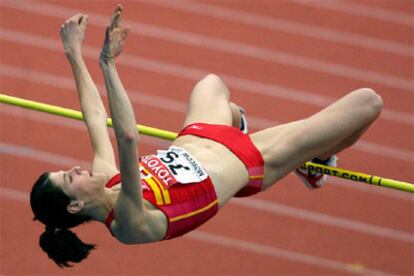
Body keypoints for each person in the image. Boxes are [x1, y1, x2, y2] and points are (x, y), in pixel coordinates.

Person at [30, 5, 383, 268]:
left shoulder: (108, 180)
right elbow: (126, 136)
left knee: (212, 83)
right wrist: (107, 61)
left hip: (199, 136)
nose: (75, 169)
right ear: (75, 205)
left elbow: (94, 117)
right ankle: (315, 163)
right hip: (250, 159)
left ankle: (249, 128)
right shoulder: (127, 223)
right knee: (367, 103)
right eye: (68, 178)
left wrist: (73, 53)